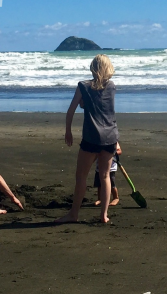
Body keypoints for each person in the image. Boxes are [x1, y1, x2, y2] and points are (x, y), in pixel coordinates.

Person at [57, 54, 119, 224]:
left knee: (81, 177)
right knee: (105, 176)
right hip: (110, 136)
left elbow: (71, 111)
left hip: (92, 137)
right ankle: (103, 215)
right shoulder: (112, 86)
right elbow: (107, 111)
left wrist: (68, 131)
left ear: (93, 67)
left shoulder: (83, 86)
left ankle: (74, 214)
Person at [94, 142, 122, 207]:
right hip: (99, 166)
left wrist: (112, 153)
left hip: (110, 167)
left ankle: (116, 198)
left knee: (111, 183)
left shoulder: (113, 141)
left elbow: (119, 151)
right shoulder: (98, 141)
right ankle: (100, 198)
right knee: (99, 183)